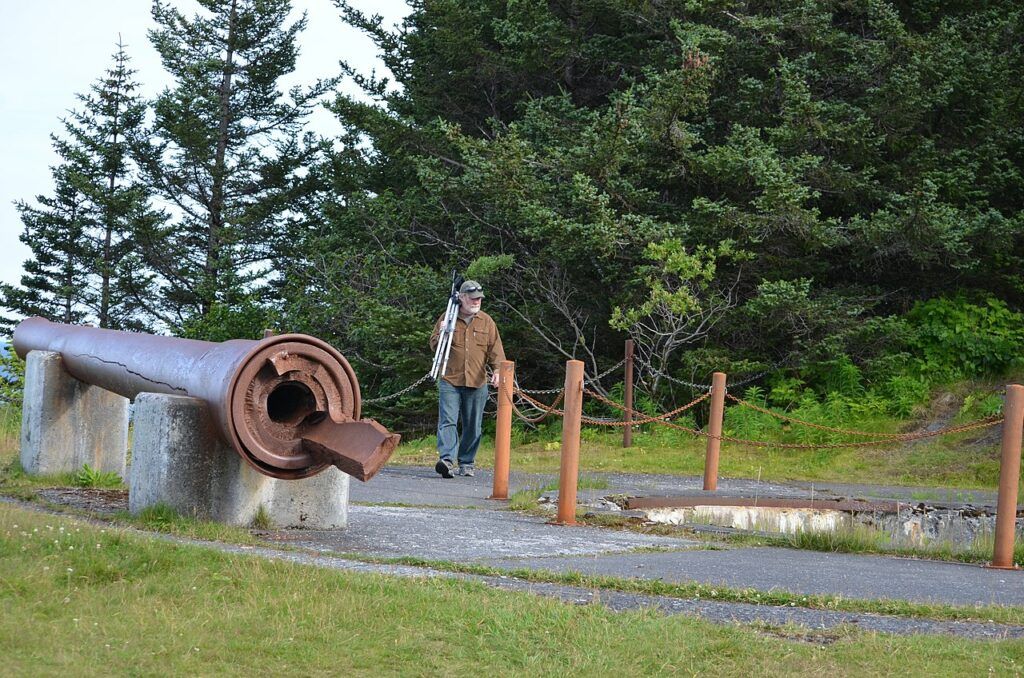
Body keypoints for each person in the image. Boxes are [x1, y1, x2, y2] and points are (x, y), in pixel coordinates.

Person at [429, 279, 505, 478]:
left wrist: (498, 370)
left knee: (473, 424)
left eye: (479, 298)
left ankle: (467, 462)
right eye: (472, 298)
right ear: (461, 298)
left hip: (477, 381)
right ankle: (446, 460)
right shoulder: (448, 317)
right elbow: (434, 345)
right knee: (448, 421)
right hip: (450, 379)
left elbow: (495, 350)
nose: (476, 301)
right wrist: (443, 332)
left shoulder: (486, 321)